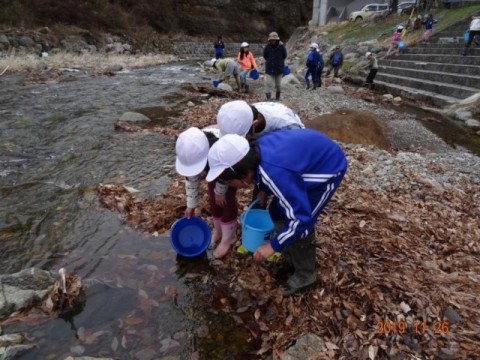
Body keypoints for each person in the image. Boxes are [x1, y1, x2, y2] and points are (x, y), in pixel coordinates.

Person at [205, 130, 348, 295]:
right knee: (276, 211)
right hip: (299, 165)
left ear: (243, 173)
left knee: (303, 225)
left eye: (231, 181)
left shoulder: (275, 173)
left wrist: (272, 246)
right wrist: (263, 190)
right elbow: (270, 175)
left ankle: (305, 275)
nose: (232, 185)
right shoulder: (254, 154)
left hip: (326, 169)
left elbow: (300, 219)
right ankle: (291, 257)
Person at [175, 126, 238, 259]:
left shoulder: (219, 148)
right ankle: (219, 231)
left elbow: (228, 172)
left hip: (229, 169)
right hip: (211, 167)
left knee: (226, 198)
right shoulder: (189, 152)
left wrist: (220, 190)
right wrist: (191, 205)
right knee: (213, 198)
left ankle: (229, 237)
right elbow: (191, 180)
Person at [263, 31, 287, 101]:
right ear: (269, 40)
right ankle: (268, 98)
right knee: (268, 84)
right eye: (271, 40)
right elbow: (265, 56)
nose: (273, 41)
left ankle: (278, 96)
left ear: (277, 40)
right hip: (269, 68)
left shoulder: (282, 47)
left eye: (274, 40)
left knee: (278, 85)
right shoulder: (267, 47)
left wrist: (279, 62)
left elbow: (284, 55)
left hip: (279, 69)